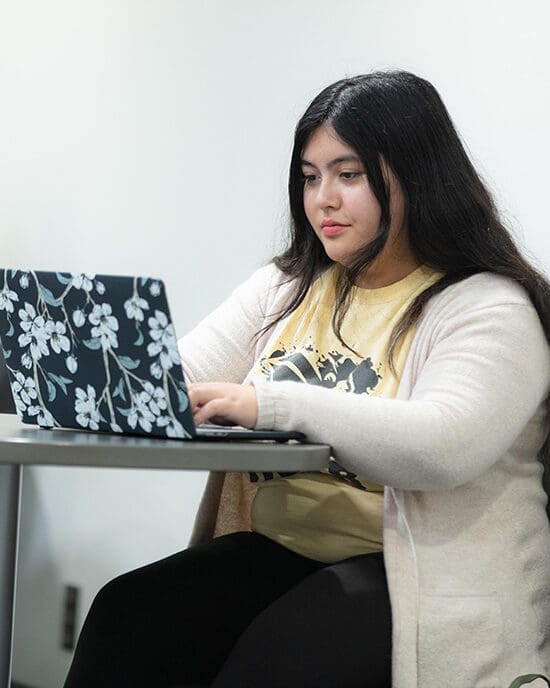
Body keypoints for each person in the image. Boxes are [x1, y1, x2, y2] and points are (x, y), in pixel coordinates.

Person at [63, 70, 550, 688]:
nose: (322, 199)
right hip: (285, 550)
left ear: (418, 177)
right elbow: (175, 381)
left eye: (349, 175)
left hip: (419, 574)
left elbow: (445, 446)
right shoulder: (289, 284)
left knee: (277, 657)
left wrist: (273, 404)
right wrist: (82, 362)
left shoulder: (487, 306)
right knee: (130, 613)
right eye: (309, 177)